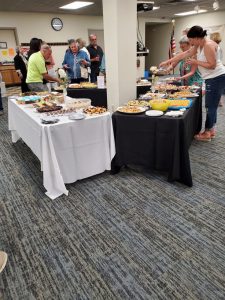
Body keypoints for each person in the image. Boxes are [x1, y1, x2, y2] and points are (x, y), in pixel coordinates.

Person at [160, 25, 225, 142]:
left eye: (190, 40)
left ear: (196, 37)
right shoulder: (199, 45)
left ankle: (207, 132)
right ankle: (211, 130)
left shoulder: (208, 45)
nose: (190, 42)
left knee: (210, 106)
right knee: (211, 105)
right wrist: (168, 61)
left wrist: (195, 61)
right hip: (212, 77)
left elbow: (212, 65)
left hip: (216, 77)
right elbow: (184, 54)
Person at [210, 32, 224, 106]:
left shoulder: (214, 47)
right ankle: (219, 101)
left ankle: (218, 101)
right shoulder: (219, 47)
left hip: (216, 70)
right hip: (220, 68)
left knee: (216, 88)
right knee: (219, 88)